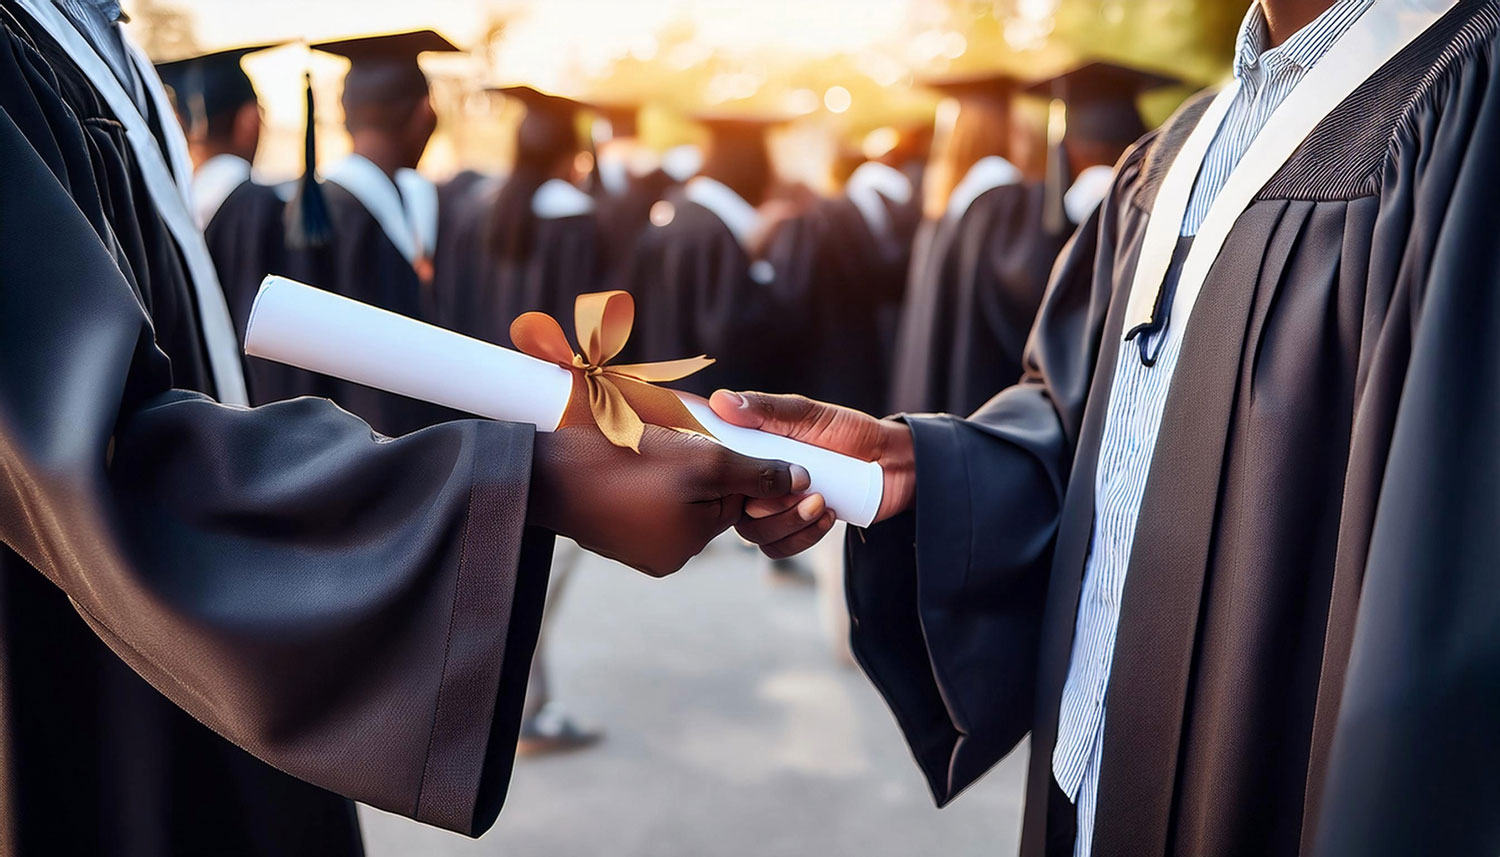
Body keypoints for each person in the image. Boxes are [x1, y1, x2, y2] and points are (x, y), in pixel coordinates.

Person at [0, 4, 802, 856]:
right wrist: (522, 481)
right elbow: (79, 443)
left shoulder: (89, 36)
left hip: (220, 588)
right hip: (102, 645)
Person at [711, 0, 1500, 854]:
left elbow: (1446, 573)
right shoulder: (1172, 153)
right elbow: (1086, 425)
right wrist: (927, 466)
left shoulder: (1464, 100)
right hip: (1086, 785)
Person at [430, 83, 605, 754]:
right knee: (536, 562)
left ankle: (518, 703)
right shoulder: (577, 218)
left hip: (486, 404)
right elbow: (594, 330)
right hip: (557, 413)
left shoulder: (479, 208)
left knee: (504, 552)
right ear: (572, 151)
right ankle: (517, 708)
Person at [886, 69, 1046, 415]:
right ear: (1007, 128)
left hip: (937, 397)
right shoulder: (1003, 197)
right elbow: (1028, 293)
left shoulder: (947, 202)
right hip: (982, 395)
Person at [618, 111, 801, 397]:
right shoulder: (714, 235)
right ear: (751, 166)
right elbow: (734, 336)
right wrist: (764, 267)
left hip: (655, 397)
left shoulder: (675, 213)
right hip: (706, 407)